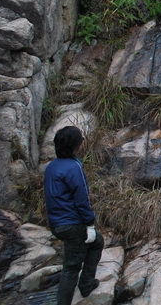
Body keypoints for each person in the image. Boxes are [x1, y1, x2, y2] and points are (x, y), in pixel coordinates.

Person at [44, 126, 104, 305]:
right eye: (81, 140)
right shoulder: (73, 166)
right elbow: (82, 197)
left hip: (56, 224)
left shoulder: (51, 167)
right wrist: (89, 223)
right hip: (73, 225)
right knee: (71, 268)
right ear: (75, 145)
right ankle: (81, 288)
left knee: (96, 243)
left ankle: (86, 283)